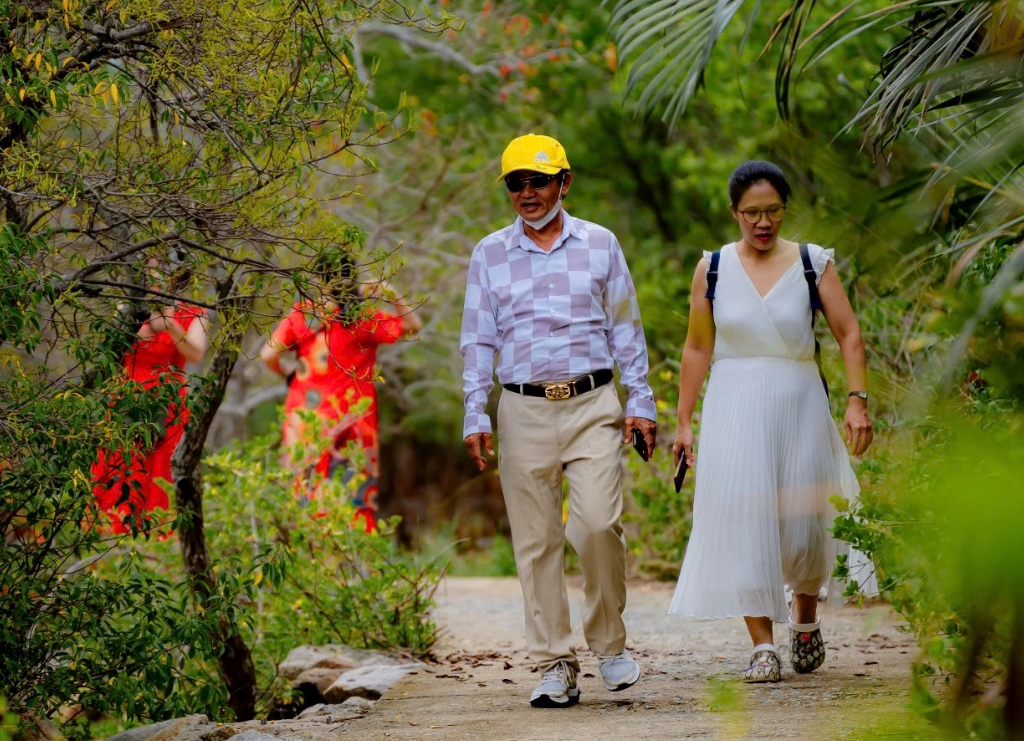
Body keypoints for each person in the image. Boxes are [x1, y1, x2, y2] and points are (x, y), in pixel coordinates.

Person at [461, 133, 657, 708]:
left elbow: (625, 327)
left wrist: (640, 401)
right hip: (520, 407)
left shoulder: (601, 244)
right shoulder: (488, 254)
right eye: (516, 183)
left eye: (538, 181)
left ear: (563, 183)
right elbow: (477, 339)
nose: (527, 193)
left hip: (592, 403)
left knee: (597, 524)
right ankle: (553, 663)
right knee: (536, 540)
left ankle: (610, 646)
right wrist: (476, 411)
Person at [668, 159, 875, 682]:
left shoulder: (812, 263)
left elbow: (849, 334)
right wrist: (684, 422)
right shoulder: (712, 268)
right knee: (743, 519)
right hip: (734, 400)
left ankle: (804, 620)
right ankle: (762, 644)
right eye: (752, 213)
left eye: (773, 212)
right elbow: (697, 347)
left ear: (785, 209)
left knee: (804, 523)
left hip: (798, 397)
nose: (763, 223)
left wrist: (857, 400)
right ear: (734, 212)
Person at [260, 249, 421, 533]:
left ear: (318, 279)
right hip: (355, 416)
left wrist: (290, 373)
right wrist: (392, 294)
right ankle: (355, 565)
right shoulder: (362, 316)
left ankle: (308, 564)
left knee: (305, 492)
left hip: (308, 416)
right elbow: (412, 326)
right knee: (356, 493)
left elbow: (268, 356)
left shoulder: (303, 315)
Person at [91, 266, 208, 535]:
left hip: (167, 406)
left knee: (161, 477)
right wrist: (137, 322)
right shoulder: (128, 306)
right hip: (126, 400)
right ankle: (112, 537)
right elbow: (109, 350)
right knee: (121, 469)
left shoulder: (192, 312)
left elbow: (197, 353)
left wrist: (168, 323)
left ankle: (159, 540)